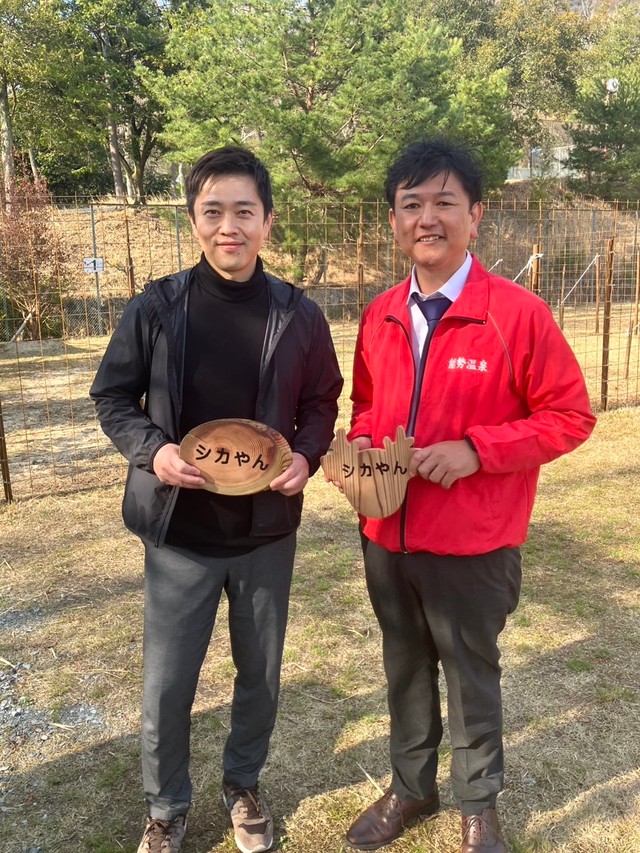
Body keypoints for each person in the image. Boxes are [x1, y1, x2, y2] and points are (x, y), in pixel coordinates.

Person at [340, 139, 595, 853]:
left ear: (475, 216)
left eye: (444, 202)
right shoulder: (380, 314)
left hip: (475, 542)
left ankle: (478, 804)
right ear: (394, 220)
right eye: (411, 204)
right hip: (387, 533)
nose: (428, 218)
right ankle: (411, 788)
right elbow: (365, 408)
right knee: (404, 666)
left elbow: (570, 416)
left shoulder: (516, 314)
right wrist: (360, 444)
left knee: (471, 673)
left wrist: (479, 450)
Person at [90, 145, 343, 853]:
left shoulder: (300, 316)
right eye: (212, 211)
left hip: (265, 533)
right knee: (167, 684)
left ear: (267, 221)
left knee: (259, 672)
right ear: (193, 219)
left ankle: (243, 784)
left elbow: (323, 398)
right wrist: (154, 450)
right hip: (180, 534)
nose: (228, 227)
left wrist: (306, 452)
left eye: (243, 211)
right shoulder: (157, 307)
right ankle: (167, 808)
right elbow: (112, 395)